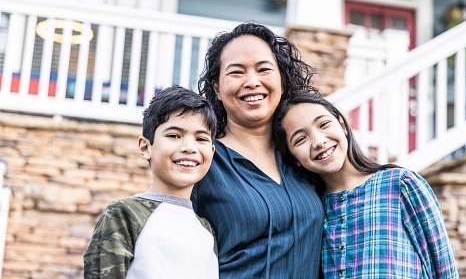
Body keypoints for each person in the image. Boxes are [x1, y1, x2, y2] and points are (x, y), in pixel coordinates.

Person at [273, 91, 460, 279]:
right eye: (300, 139)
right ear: (294, 158)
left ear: (342, 124)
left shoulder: (400, 185)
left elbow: (444, 269)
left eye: (323, 124)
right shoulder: (312, 211)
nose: (319, 142)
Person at [191, 22, 325, 278]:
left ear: (282, 81)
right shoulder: (203, 160)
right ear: (217, 87)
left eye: (264, 69)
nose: (252, 82)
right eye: (237, 72)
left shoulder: (303, 157)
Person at [84, 86, 218, 279]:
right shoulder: (125, 214)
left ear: (211, 152)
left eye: (201, 138)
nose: (189, 147)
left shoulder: (206, 230)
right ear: (146, 147)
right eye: (174, 136)